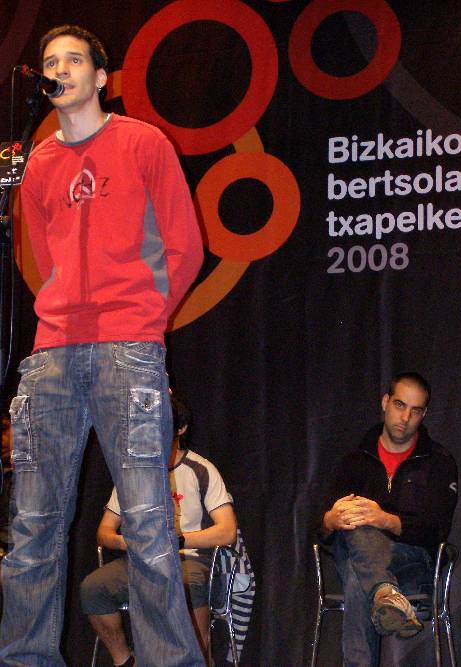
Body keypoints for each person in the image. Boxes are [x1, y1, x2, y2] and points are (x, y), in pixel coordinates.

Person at [0, 25, 205, 666]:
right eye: (49, 61)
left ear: (100, 77)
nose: (59, 69)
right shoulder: (38, 165)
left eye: (73, 59)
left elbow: (185, 245)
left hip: (127, 349)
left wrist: (143, 319)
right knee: (33, 527)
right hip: (53, 354)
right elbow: (45, 259)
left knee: (147, 524)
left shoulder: (143, 142)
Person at [81, 392, 237, 666]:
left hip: (188, 560)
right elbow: (104, 532)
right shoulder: (134, 473)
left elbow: (227, 531)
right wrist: (126, 543)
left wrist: (177, 540)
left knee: (188, 585)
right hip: (141, 560)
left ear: (181, 428)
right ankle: (124, 661)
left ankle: (199, 659)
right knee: (93, 588)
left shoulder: (201, 469)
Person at [320, 372, 458, 667]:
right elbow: (318, 527)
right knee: (356, 525)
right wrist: (331, 520)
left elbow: (437, 529)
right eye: (399, 405)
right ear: (385, 402)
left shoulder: (439, 462)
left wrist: (385, 520)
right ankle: (384, 591)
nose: (405, 417)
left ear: (424, 414)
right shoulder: (354, 460)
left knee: (359, 576)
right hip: (356, 556)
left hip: (413, 565)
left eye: (415, 410)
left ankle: (382, 590)